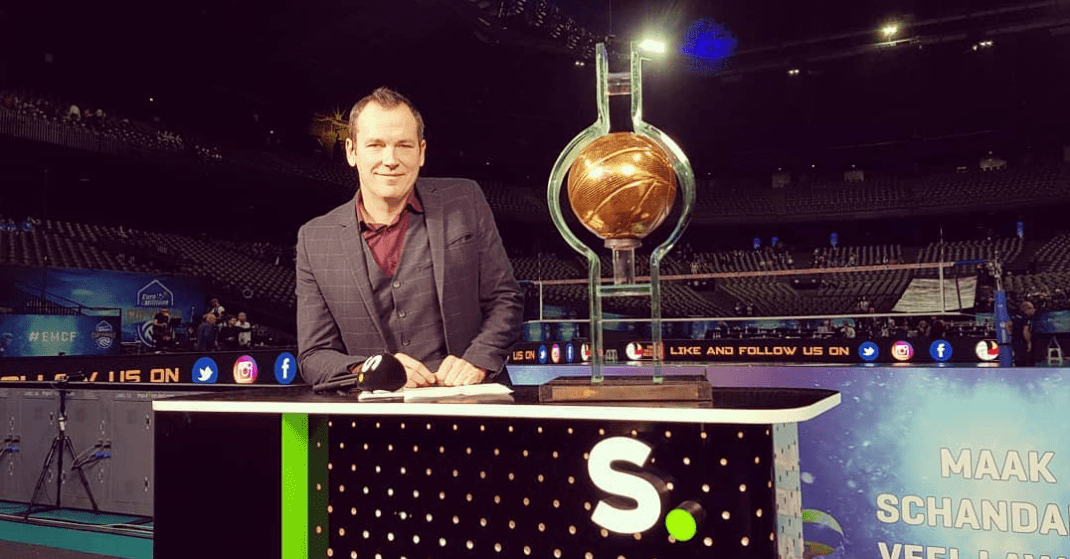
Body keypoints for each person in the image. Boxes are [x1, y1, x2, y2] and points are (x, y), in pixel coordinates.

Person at [296, 87, 523, 388]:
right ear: (352, 151)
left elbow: (506, 299)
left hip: (467, 399)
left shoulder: (465, 199)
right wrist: (372, 370)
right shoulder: (314, 238)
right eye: (375, 145)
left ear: (421, 152)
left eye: (403, 145)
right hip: (373, 411)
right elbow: (313, 356)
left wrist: (478, 360)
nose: (390, 159)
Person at [1011, 301, 1037, 367]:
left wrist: (1012, 334)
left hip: (1016, 341)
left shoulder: (1016, 316)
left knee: (1018, 362)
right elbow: (1025, 331)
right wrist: (1028, 342)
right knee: (1026, 362)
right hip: (1023, 343)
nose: (1034, 310)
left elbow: (1008, 325)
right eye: (1032, 308)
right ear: (1027, 309)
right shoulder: (1027, 318)